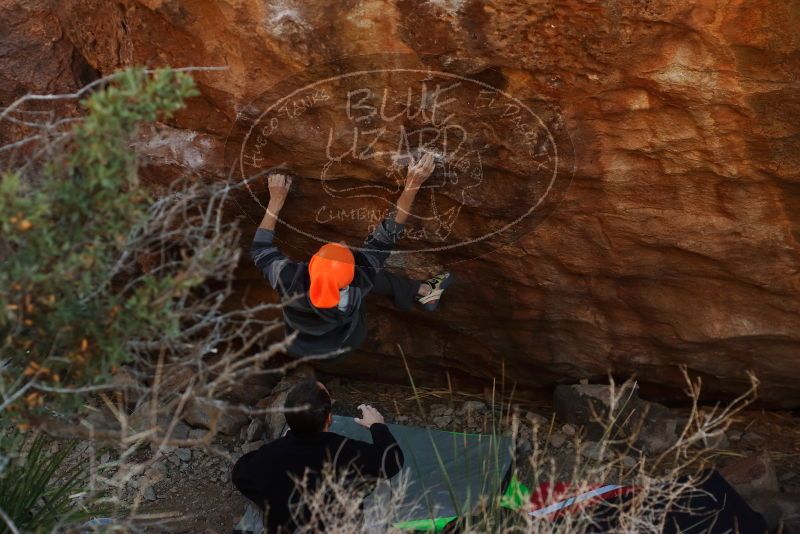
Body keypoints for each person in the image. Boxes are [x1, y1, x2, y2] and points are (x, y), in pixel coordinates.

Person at [251, 152, 455, 357]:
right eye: (344, 251)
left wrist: (275, 201)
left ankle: (423, 292)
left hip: (301, 343)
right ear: (349, 280)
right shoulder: (360, 279)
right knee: (372, 272)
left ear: (311, 267)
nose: (342, 242)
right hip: (347, 339)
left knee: (369, 272)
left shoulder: (288, 279)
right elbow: (389, 232)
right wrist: (413, 184)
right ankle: (423, 290)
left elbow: (260, 249)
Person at [231, 378, 404, 533]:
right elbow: (393, 459)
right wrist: (377, 426)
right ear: (329, 418)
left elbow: (239, 473)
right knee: (382, 484)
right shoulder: (347, 452)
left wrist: (280, 446)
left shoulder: (270, 456)